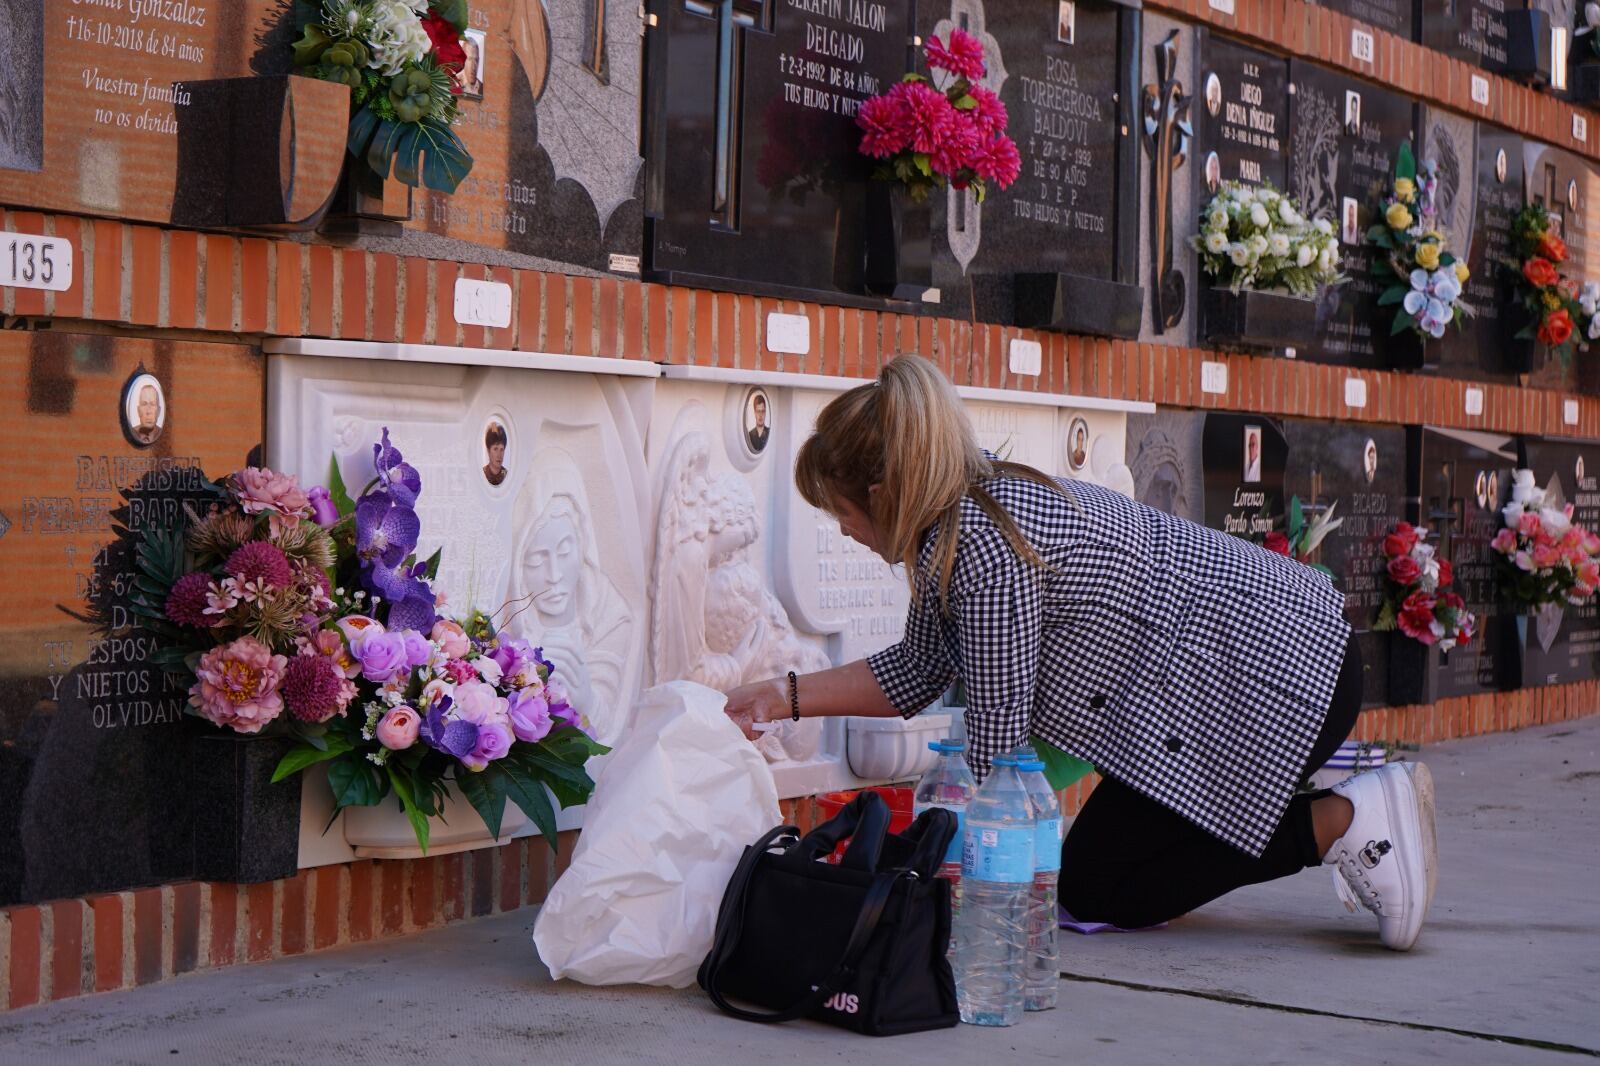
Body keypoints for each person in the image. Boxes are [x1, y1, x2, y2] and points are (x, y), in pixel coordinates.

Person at [722, 355, 1438, 950]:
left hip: (1282, 681)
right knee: (1099, 877)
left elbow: (998, 758)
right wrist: (782, 697)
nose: (846, 532)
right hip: (1266, 674)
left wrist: (947, 889)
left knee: (1100, 888)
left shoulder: (983, 548)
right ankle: (1339, 817)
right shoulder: (970, 512)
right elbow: (916, 669)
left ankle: (1346, 821)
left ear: (882, 493)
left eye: (844, 512)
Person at [483, 422, 508, 486]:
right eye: (495, 449)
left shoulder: (507, 475)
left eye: (501, 449)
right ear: (488, 451)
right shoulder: (482, 474)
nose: (499, 455)